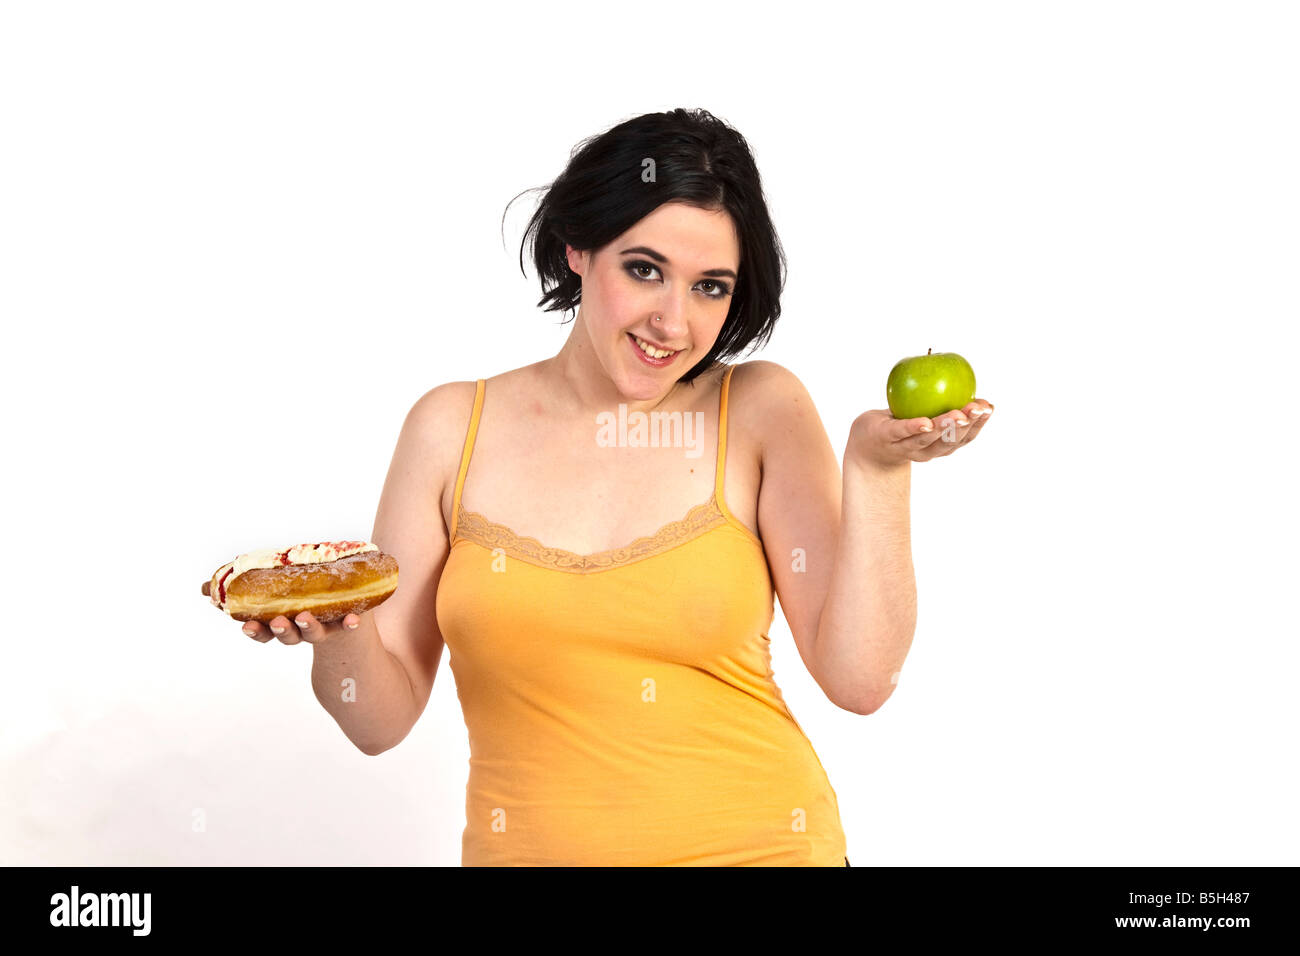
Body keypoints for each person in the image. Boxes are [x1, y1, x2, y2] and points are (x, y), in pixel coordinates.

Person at [240, 108, 994, 866]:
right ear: (578, 247)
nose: (674, 322)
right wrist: (337, 630)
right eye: (644, 270)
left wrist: (878, 471)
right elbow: (378, 722)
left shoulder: (760, 410)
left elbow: (861, 681)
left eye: (710, 287)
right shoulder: (449, 429)